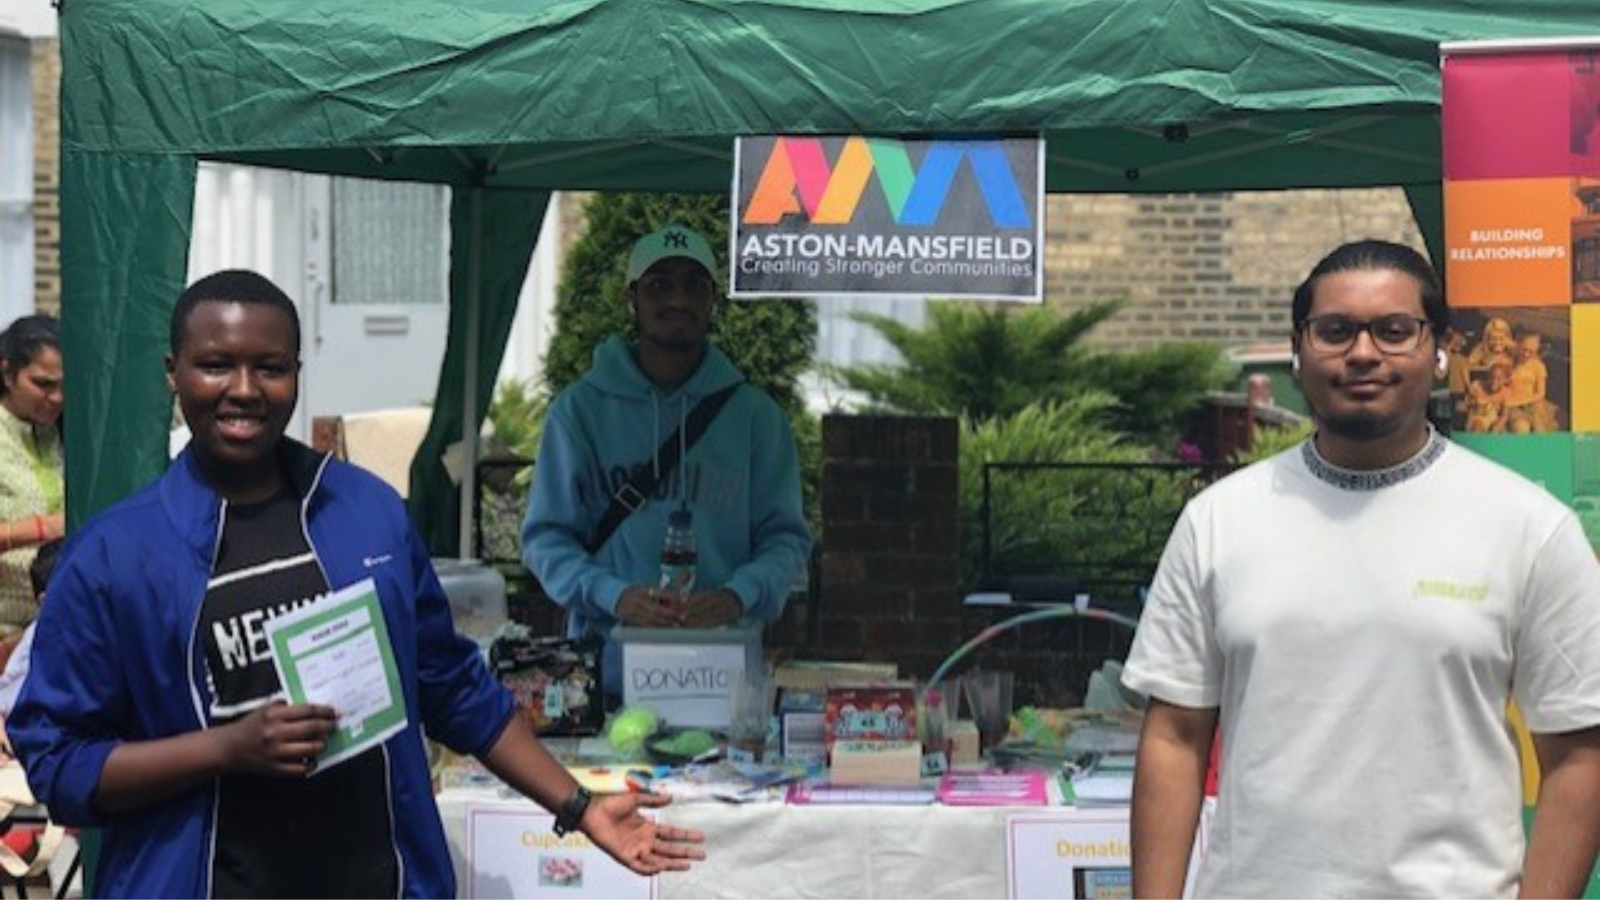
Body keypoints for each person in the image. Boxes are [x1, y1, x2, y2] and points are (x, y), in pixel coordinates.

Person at [8, 270, 703, 898]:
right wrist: (226, 749)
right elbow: (59, 763)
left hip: (379, 880)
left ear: (297, 374)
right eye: (216, 365)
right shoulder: (115, 555)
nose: (244, 389)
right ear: (173, 373)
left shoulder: (366, 513)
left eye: (270, 367)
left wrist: (578, 807)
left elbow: (452, 686)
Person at [1123, 240, 1600, 898]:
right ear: (1298, 349)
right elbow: (1175, 735)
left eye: (1396, 331)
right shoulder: (1218, 521)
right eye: (1336, 331)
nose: (1364, 352)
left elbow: (1580, 752)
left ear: (1439, 353)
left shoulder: (1527, 526)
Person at [521, 224, 812, 698]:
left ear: (713, 301)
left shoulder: (756, 418)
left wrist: (736, 595)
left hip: (722, 676)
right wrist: (615, 596)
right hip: (604, 674)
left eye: (694, 285)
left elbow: (786, 541)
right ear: (631, 298)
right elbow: (545, 540)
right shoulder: (580, 412)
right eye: (659, 284)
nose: (678, 299)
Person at [0, 315, 65, 656]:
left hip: (54, 634)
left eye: (65, 386)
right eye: (43, 384)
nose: (57, 397)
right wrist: (42, 528)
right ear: (8, 374)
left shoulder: (67, 435)